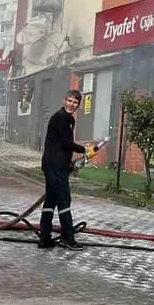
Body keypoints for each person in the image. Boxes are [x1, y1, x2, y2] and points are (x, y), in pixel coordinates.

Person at [39, 89, 92, 251]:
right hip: (55, 167)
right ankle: (68, 238)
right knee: (64, 201)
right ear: (64, 101)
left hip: (55, 165)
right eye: (69, 101)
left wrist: (69, 163)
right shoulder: (61, 118)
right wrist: (85, 150)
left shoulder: (67, 119)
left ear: (78, 105)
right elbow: (66, 143)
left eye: (75, 102)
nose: (72, 104)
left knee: (51, 201)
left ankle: (45, 238)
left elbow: (62, 145)